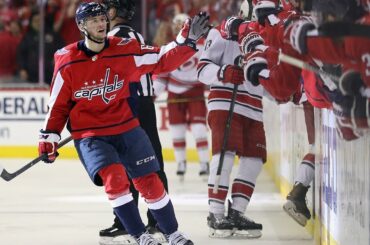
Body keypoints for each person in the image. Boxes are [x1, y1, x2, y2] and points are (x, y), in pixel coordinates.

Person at [37, 2, 210, 245]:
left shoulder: (125, 49)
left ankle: (173, 233)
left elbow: (161, 59)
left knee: (150, 180)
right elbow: (57, 105)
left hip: (126, 126)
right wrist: (48, 136)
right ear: (81, 25)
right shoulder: (66, 60)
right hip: (91, 135)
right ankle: (139, 236)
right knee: (115, 178)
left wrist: (186, 41)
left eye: (102, 19)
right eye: (93, 20)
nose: (100, 23)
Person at [98, 0, 169, 244]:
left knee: (124, 163)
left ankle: (125, 224)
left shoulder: (114, 38)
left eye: (107, 9)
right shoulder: (135, 35)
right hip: (143, 104)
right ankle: (158, 221)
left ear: (115, 12)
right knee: (152, 160)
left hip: (129, 105)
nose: (103, 15)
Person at [197, 0, 264, 239]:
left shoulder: (269, 38)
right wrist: (223, 72)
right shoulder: (223, 31)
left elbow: (268, 78)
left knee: (254, 160)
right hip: (225, 103)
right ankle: (215, 213)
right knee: (223, 155)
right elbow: (202, 68)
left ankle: (236, 212)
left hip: (254, 108)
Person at [153, 13, 210, 181]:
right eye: (176, 23)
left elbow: (209, 67)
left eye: (181, 23)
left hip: (195, 92)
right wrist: (153, 94)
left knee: (199, 129)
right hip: (174, 94)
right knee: (177, 130)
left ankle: (204, 163)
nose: (178, 26)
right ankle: (181, 163)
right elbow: (163, 74)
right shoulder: (169, 47)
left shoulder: (203, 45)